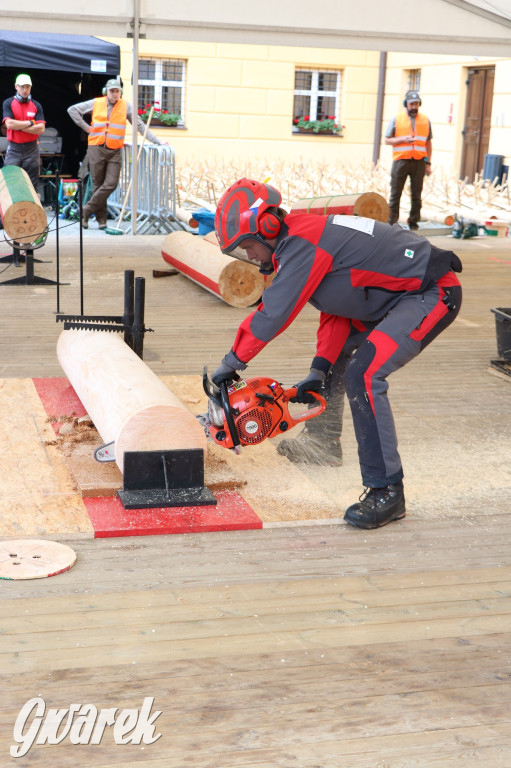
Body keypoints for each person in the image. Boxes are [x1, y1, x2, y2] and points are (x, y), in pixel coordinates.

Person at [211, 178, 462, 530]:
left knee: (365, 374)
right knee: (336, 366)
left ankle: (387, 491)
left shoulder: (302, 243)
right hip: (388, 298)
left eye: (249, 246)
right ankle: (324, 442)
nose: (250, 256)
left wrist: (232, 362)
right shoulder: (302, 239)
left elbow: (275, 312)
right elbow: (338, 304)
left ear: (268, 226)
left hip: (430, 293)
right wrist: (320, 367)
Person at [67, 78, 165, 229]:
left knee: (111, 183)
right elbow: (72, 110)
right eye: (112, 91)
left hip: (114, 150)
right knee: (98, 185)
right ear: (106, 92)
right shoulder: (97, 102)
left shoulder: (126, 106)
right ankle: (101, 221)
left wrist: (157, 141)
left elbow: (139, 125)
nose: (114, 94)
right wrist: (87, 128)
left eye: (117, 91)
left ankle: (85, 211)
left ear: (121, 92)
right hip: (96, 147)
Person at [385, 90, 432, 230]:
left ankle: (414, 221)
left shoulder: (425, 120)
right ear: (406, 104)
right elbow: (387, 140)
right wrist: (402, 139)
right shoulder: (396, 119)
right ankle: (392, 222)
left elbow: (428, 143)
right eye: (411, 104)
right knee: (395, 193)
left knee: (417, 194)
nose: (414, 107)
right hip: (401, 161)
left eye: (416, 104)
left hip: (419, 161)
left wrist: (428, 163)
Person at [2, 74, 45, 191]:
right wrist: (31, 123)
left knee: (31, 182)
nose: (25, 90)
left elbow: (41, 129)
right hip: (14, 147)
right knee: (9, 178)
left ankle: (30, 207)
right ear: (16, 86)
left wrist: (18, 126)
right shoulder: (8, 103)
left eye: (28, 87)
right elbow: (9, 124)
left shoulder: (36, 105)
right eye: (22, 87)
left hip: (32, 148)